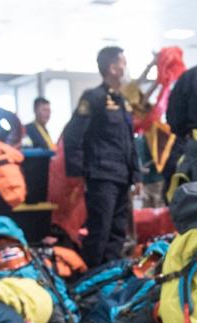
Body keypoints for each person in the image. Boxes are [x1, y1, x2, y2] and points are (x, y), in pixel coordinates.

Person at [61, 46, 138, 268]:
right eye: (122, 62)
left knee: (117, 231)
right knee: (100, 231)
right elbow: (73, 135)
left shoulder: (122, 101)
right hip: (101, 176)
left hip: (122, 177)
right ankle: (89, 280)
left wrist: (137, 176)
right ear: (112, 68)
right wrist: (78, 173)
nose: (125, 67)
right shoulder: (93, 98)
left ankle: (109, 278)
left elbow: (128, 141)